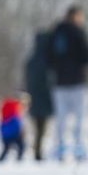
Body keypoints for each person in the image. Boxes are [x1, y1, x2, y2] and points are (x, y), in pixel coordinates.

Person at [47, 5, 88, 161]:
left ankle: (61, 148)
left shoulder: (55, 33)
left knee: (61, 118)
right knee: (81, 118)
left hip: (59, 84)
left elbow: (47, 58)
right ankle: (79, 149)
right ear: (75, 16)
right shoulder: (78, 33)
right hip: (78, 83)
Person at [23, 30, 54, 160]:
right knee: (42, 127)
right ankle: (38, 151)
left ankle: (37, 150)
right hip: (44, 97)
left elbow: (27, 80)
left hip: (33, 97)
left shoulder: (31, 60)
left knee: (38, 127)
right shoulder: (48, 60)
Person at [0, 95, 26, 162]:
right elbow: (18, 127)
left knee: (6, 148)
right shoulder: (14, 117)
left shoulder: (3, 119)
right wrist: (21, 133)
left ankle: (1, 160)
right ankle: (19, 158)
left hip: (6, 137)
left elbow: (1, 129)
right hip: (15, 136)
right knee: (21, 146)